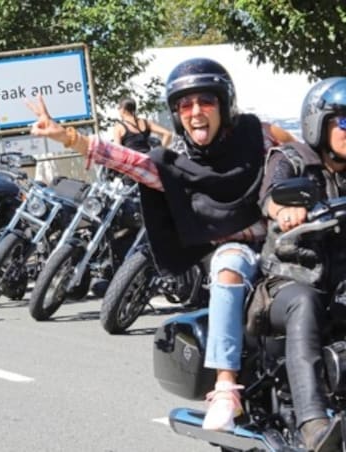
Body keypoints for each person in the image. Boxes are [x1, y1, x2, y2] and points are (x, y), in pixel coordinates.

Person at [27, 58, 294, 432]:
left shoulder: (259, 135)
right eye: (185, 105)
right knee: (228, 265)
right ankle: (226, 387)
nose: (196, 112)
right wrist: (67, 136)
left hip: (289, 242)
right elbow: (129, 161)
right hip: (241, 252)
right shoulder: (176, 163)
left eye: (205, 101)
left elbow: (311, 153)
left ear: (224, 103)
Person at [255, 77, 346, 451]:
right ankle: (313, 421)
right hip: (285, 285)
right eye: (344, 121)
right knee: (303, 302)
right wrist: (286, 209)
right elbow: (269, 196)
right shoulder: (291, 159)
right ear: (319, 123)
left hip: (338, 283)